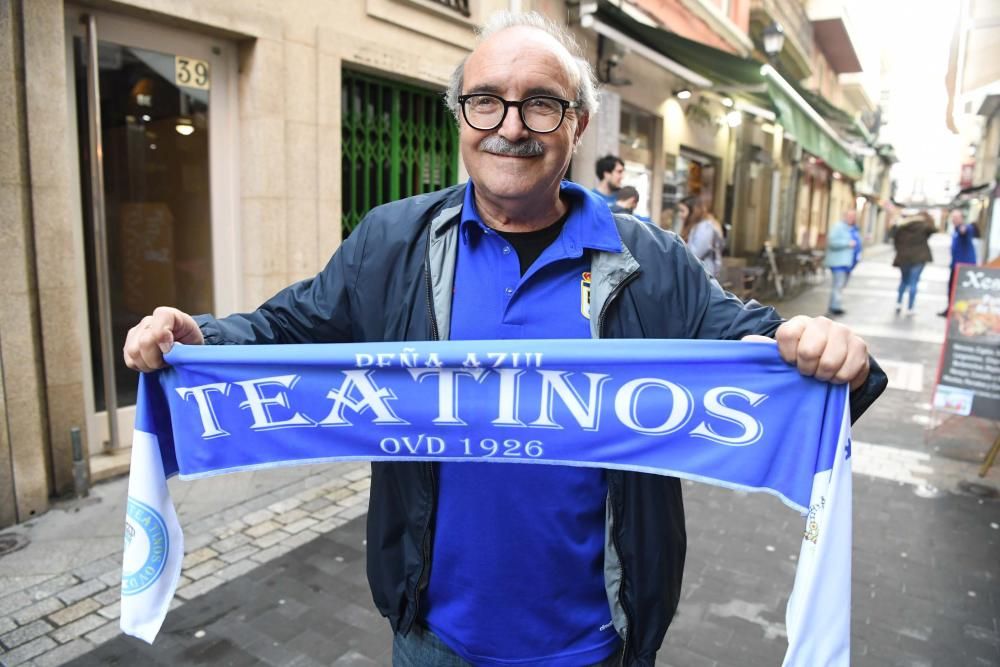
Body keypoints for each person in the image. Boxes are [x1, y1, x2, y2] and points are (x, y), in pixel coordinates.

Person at [123, 12, 882, 665]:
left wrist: (818, 345)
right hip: (431, 638)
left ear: (578, 125)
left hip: (595, 642)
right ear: (460, 115)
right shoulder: (393, 241)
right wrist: (201, 337)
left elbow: (757, 348)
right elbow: (290, 328)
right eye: (486, 101)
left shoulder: (650, 262)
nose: (510, 127)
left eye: (541, 105)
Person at [890, 212, 936, 315]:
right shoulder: (923, 226)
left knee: (903, 281)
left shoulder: (902, 227)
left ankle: (899, 303)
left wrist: (900, 250)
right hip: (919, 258)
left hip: (904, 258)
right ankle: (910, 308)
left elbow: (894, 239)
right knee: (913, 282)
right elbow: (934, 230)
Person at [939, 209, 978, 316]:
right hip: (955, 265)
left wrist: (962, 229)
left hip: (965, 266)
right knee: (951, 288)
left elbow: (965, 231)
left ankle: (961, 312)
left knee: (962, 290)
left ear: (961, 218)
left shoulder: (965, 228)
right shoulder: (955, 231)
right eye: (953, 217)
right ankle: (950, 310)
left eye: (956, 218)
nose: (954, 220)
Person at [823, 209, 858, 316]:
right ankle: (835, 307)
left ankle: (834, 305)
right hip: (838, 263)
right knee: (838, 285)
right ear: (845, 216)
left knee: (841, 285)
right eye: (849, 216)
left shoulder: (852, 228)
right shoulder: (838, 227)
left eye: (853, 216)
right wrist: (847, 243)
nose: (851, 218)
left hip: (847, 264)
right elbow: (832, 242)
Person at [680, 195, 725, 279]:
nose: (680, 214)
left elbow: (694, 254)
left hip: (703, 277)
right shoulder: (695, 226)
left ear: (693, 211)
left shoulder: (705, 227)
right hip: (697, 275)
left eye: (682, 211)